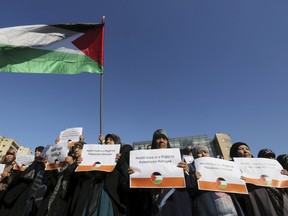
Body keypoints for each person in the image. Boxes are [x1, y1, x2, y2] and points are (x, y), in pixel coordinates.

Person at [128, 129, 192, 216]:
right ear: (154, 142)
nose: (161, 141)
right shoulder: (145, 160)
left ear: (167, 141)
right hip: (155, 206)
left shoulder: (179, 159)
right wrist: (133, 175)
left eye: (164, 138)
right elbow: (140, 189)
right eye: (158, 138)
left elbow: (190, 185)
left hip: (177, 205)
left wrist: (187, 171)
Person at [230, 142, 287, 216]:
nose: (245, 151)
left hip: (279, 198)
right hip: (257, 200)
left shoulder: (263, 164)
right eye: (241, 149)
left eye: (247, 149)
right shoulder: (232, 168)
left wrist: (284, 176)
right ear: (234, 152)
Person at [190, 144, 242, 216]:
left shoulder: (218, 165)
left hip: (228, 204)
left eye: (205, 152)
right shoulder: (190, 168)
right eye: (199, 152)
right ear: (194, 155)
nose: (203, 154)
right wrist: (193, 178)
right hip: (208, 205)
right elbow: (188, 190)